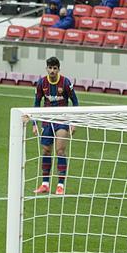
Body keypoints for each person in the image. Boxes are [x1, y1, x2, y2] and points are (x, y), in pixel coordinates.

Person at [27, 57, 77, 195]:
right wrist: (34, 123)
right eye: (50, 68)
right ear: (47, 68)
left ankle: (60, 185)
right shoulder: (41, 82)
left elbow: (75, 102)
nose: (52, 70)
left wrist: (73, 122)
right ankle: (45, 184)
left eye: (55, 68)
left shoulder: (66, 82)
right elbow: (36, 103)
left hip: (62, 120)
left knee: (60, 151)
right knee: (46, 151)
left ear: (58, 69)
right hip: (47, 121)